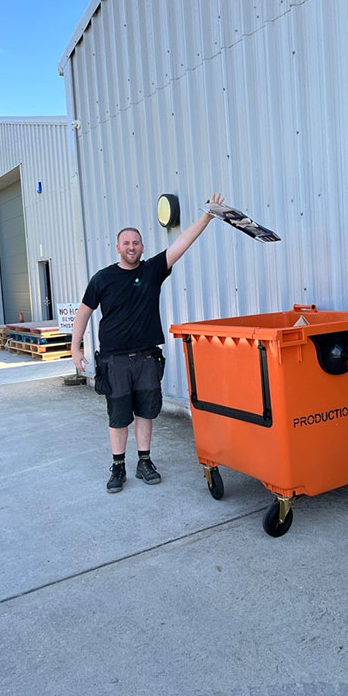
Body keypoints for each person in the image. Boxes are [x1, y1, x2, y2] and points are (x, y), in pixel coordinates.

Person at [71, 193, 225, 493]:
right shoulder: (102, 279)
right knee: (118, 417)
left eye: (136, 243)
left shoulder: (152, 270)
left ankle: (144, 461)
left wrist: (207, 217)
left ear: (142, 247)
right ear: (118, 247)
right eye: (126, 243)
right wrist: (75, 347)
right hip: (114, 361)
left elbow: (183, 243)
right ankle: (118, 466)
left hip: (146, 359)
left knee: (146, 411)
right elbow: (83, 314)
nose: (132, 247)